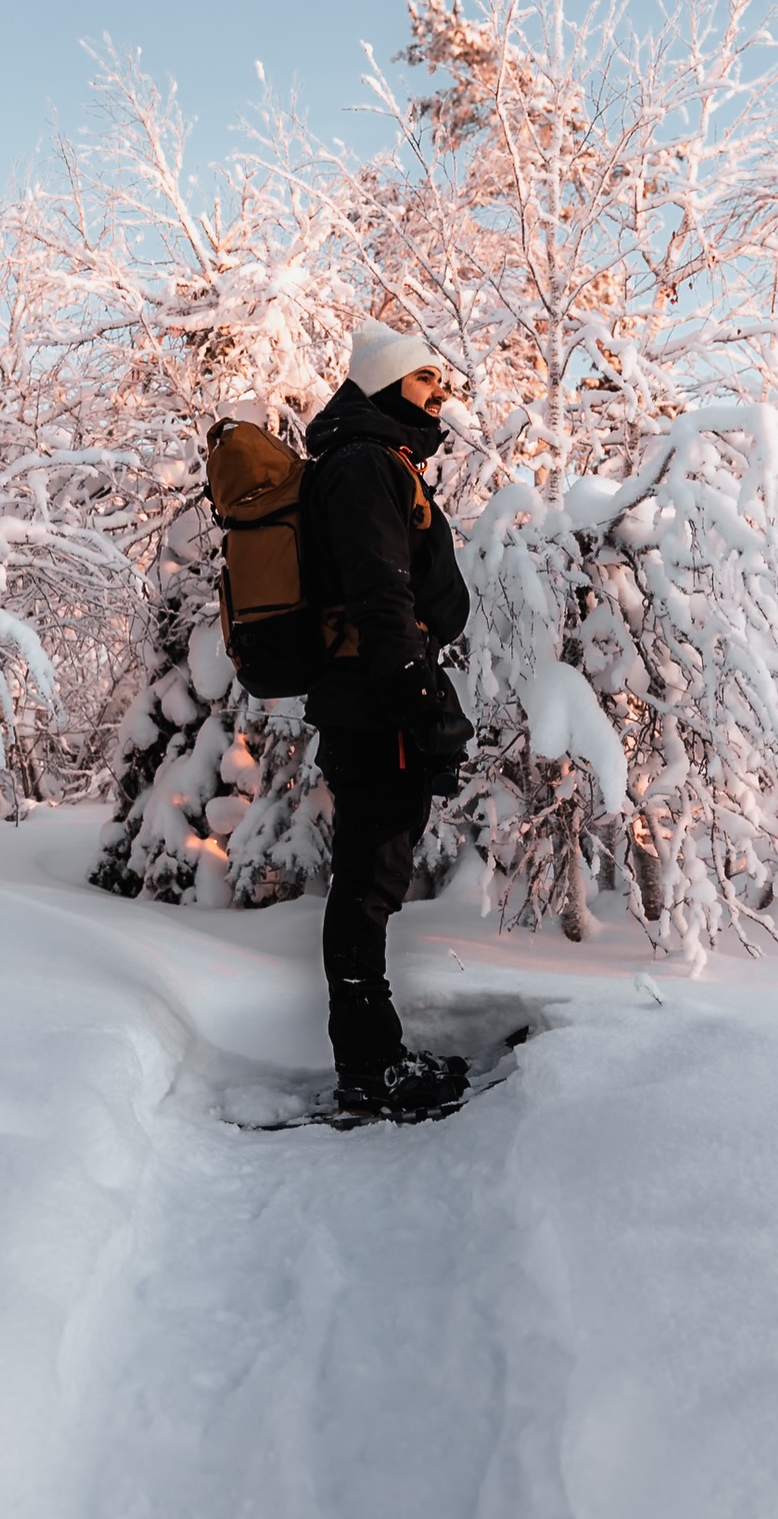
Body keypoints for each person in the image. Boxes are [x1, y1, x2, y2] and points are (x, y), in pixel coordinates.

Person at [303, 320, 474, 1118]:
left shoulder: (378, 458)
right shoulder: (366, 463)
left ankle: (374, 1058)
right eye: (424, 377)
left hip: (376, 695)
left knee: (372, 879)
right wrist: (416, 697)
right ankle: (370, 1070)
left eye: (442, 380)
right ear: (381, 383)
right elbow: (380, 594)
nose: (440, 392)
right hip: (376, 702)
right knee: (366, 884)